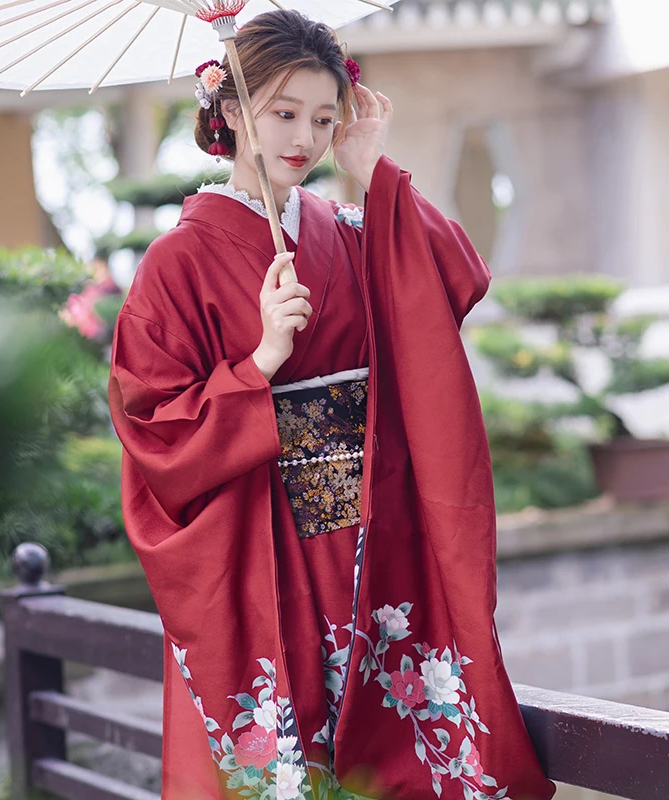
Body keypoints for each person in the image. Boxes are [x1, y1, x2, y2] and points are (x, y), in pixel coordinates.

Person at [108, 10, 556, 800]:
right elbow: (152, 423)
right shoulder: (176, 262)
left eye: (323, 117)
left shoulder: (344, 228)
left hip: (371, 532)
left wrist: (374, 168)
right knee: (287, 750)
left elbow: (450, 281)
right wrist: (258, 365)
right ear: (232, 109)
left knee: (388, 752)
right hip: (263, 538)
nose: (305, 138)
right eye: (284, 113)